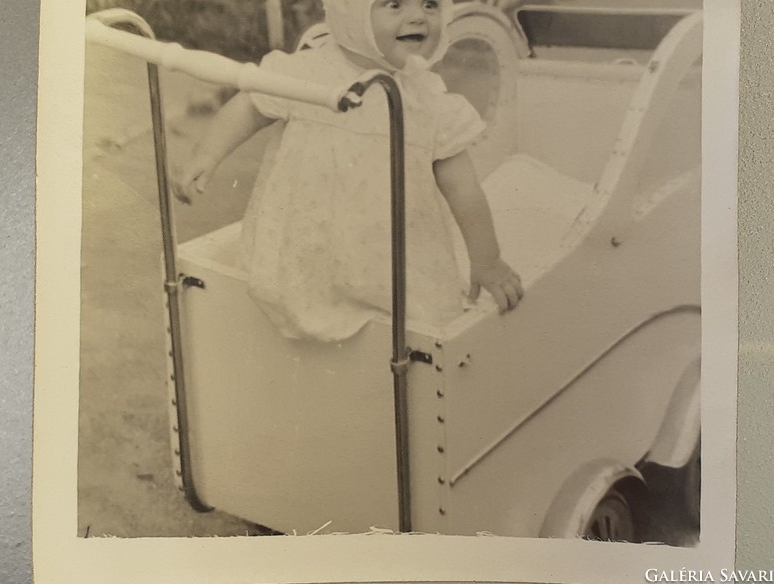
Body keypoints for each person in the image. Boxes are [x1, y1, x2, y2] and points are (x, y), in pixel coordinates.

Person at [174, 0, 523, 341]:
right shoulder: (306, 74)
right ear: (350, 12)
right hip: (308, 240)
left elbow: (463, 187)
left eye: (430, 5)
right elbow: (250, 107)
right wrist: (206, 156)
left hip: (389, 256)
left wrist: (486, 258)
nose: (418, 16)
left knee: (409, 326)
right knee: (286, 297)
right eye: (395, 5)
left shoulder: (427, 100)